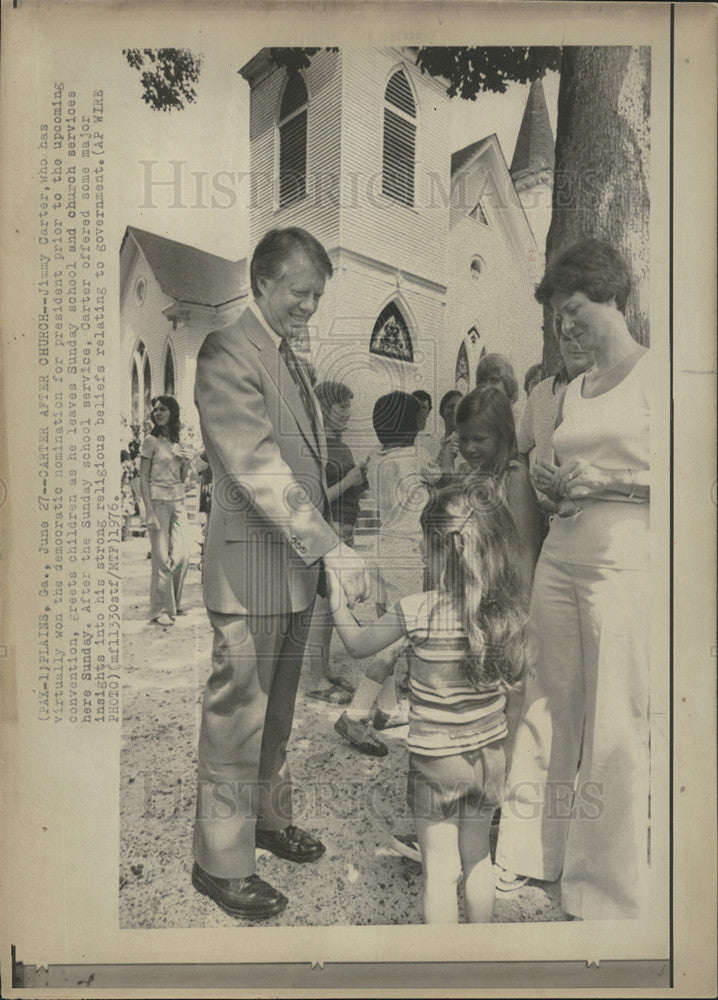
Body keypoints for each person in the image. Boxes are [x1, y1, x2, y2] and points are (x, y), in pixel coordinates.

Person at [192, 227, 370, 921]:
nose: (310, 306)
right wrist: (330, 547)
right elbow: (259, 465)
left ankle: (267, 820)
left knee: (278, 714)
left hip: (291, 576)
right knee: (238, 716)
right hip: (249, 574)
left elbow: (309, 470)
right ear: (262, 281)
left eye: (317, 295)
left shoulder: (288, 358)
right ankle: (220, 864)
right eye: (300, 292)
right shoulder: (227, 352)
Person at [494, 238, 653, 920]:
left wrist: (614, 478)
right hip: (563, 550)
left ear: (614, 298)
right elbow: (551, 470)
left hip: (624, 557)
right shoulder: (576, 389)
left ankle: (604, 890)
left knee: (616, 717)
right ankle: (532, 856)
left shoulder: (660, 377)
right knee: (544, 701)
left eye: (575, 308)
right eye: (559, 314)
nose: (565, 325)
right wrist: (548, 479)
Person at [327, 480, 533, 923]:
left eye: (425, 543)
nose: (420, 553)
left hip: (436, 762)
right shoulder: (502, 612)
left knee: (440, 873)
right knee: (479, 862)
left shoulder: (416, 609)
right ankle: (481, 963)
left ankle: (442, 968)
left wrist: (337, 604)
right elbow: (515, 696)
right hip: (489, 757)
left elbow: (359, 646)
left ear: (443, 551)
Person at [334, 390, 427, 756]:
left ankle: (387, 710)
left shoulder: (375, 460)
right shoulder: (414, 460)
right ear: (412, 425)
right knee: (397, 640)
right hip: (407, 552)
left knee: (386, 627)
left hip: (382, 550)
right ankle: (356, 714)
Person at [304, 379, 370, 705]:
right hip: (328, 532)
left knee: (332, 606)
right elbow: (312, 501)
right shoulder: (315, 447)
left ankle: (323, 669)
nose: (347, 412)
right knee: (322, 604)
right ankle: (314, 680)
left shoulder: (339, 445)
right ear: (323, 408)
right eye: (341, 405)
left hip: (345, 530)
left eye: (348, 405)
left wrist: (361, 480)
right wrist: (348, 481)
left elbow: (347, 491)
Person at [517, 333, 593, 531]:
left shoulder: (616, 394)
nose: (576, 343)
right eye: (567, 336)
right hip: (546, 522)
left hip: (593, 522)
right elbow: (519, 449)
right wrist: (532, 499)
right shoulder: (541, 392)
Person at [138, 395, 191, 627]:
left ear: (172, 412)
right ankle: (160, 609)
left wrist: (186, 462)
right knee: (160, 558)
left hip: (178, 501)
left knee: (182, 556)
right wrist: (148, 511)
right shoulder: (150, 441)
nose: (158, 413)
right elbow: (142, 478)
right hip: (158, 502)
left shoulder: (179, 442)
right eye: (155, 410)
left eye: (163, 409)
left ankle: (174, 603)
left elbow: (182, 478)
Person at [434, 389, 463, 472]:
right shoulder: (432, 444)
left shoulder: (471, 444)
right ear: (442, 411)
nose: (455, 410)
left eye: (459, 407)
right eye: (451, 406)